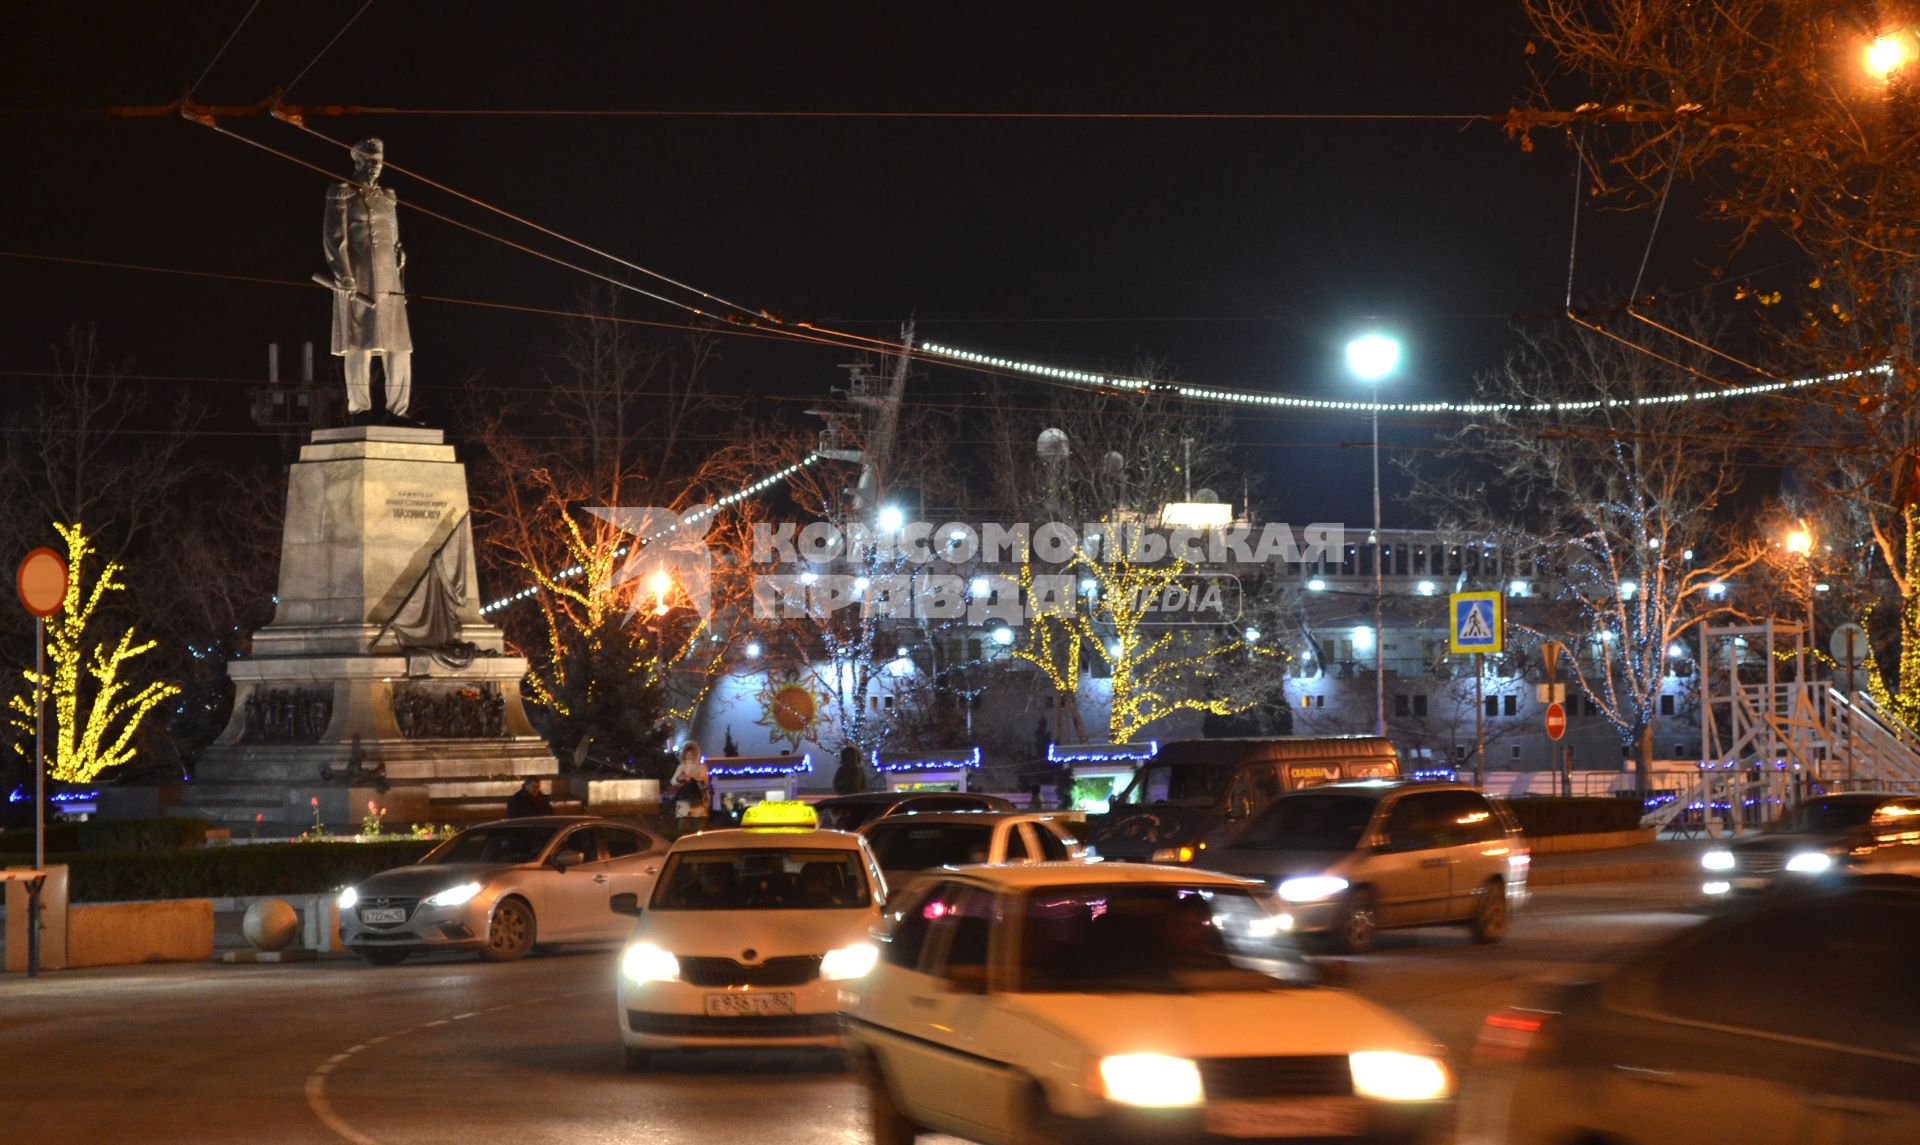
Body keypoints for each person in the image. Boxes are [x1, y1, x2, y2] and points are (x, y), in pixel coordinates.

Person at [323, 137, 413, 422]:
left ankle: (397, 411)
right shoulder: (342, 193)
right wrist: (344, 275)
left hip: (390, 283)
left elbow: (394, 238)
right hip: (358, 279)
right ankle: (359, 409)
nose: (376, 166)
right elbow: (334, 238)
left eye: (379, 161)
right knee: (358, 344)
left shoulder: (388, 198)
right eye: (370, 160)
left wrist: (399, 257)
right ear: (358, 161)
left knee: (399, 347)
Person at [670, 741, 709, 833]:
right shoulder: (681, 767)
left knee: (698, 826)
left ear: (695, 754)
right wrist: (680, 778)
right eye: (687, 754)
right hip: (683, 798)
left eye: (691, 754)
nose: (689, 756)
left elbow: (704, 780)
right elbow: (673, 781)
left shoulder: (701, 767)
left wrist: (692, 778)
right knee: (683, 824)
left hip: (697, 798)